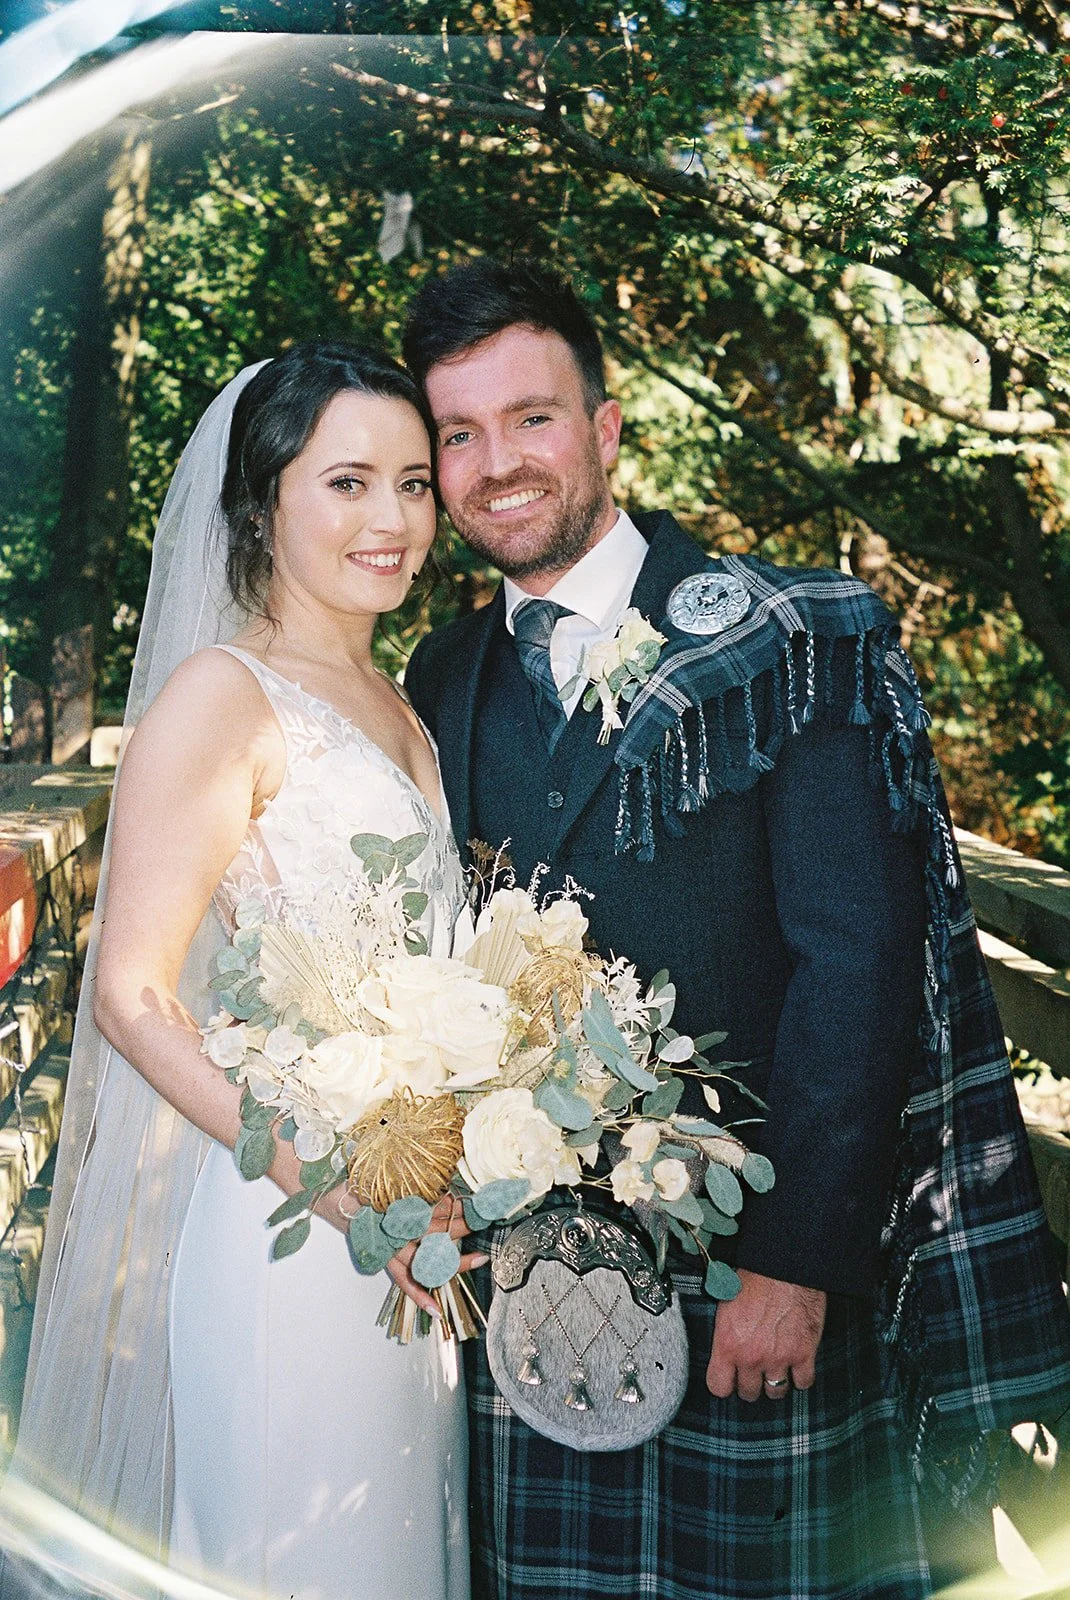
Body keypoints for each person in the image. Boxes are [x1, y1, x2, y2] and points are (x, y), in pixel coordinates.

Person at [401, 258, 1070, 1600]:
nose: (496, 464)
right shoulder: (440, 672)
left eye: (529, 418)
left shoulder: (787, 637)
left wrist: (795, 1267)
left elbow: (857, 962)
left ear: (604, 429)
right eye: (456, 436)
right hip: (523, 1288)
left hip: (745, 1282)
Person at [3, 343, 473, 1600]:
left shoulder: (395, 701)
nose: (394, 519)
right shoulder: (223, 696)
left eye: (415, 482)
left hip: (407, 1230)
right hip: (293, 1224)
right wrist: (331, 1187)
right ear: (262, 501)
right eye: (349, 481)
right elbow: (133, 994)